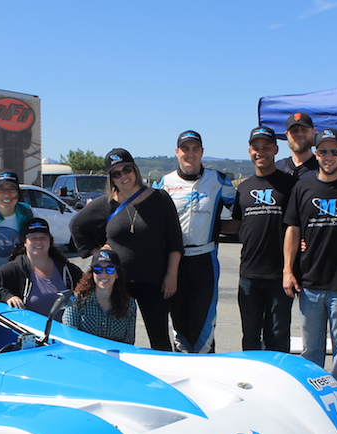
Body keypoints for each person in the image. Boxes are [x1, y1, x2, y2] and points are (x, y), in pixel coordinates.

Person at [70, 149, 183, 351]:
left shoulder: (159, 198)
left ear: (135, 170)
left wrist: (171, 275)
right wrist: (98, 252)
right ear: (111, 178)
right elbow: (77, 225)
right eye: (116, 173)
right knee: (116, 339)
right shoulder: (107, 203)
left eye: (127, 170)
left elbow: (175, 241)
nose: (123, 176)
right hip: (118, 281)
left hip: (154, 281)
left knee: (159, 339)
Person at [283, 128, 337, 393]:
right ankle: (313, 393)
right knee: (312, 346)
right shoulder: (302, 187)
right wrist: (288, 270)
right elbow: (293, 229)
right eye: (322, 151)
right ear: (315, 153)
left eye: (334, 151)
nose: (328, 156)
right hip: (310, 281)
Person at [155, 130, 235, 353]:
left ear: (202, 152)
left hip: (205, 259)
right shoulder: (164, 183)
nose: (190, 154)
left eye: (195, 149)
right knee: (178, 321)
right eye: (185, 149)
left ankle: (208, 369)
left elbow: (243, 211)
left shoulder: (219, 181)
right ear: (177, 152)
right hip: (174, 262)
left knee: (204, 323)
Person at [230, 126, 296, 352]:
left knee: (277, 335)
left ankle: (279, 382)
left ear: (276, 150)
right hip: (249, 273)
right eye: (255, 148)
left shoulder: (289, 185)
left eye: (266, 148)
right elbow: (238, 224)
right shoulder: (244, 187)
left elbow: (296, 225)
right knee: (250, 335)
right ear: (249, 151)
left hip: (279, 275)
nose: (261, 152)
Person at [0, 218, 82, 319]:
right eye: (33, 238)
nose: (39, 241)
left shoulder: (67, 269)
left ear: (50, 241)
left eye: (43, 237)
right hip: (33, 333)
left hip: (68, 333)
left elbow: (88, 287)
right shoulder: (16, 269)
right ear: (25, 243)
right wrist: (7, 296)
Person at [64, 246, 137, 344]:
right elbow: (69, 338)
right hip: (84, 355)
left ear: (117, 274)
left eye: (110, 269)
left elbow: (129, 342)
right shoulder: (76, 300)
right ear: (92, 273)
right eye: (98, 269)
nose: (104, 274)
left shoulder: (129, 303)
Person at [274, 111, 320, 178]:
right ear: (287, 134)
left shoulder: (323, 170)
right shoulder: (277, 168)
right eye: (294, 131)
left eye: (304, 130)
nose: (300, 134)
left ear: (313, 132)